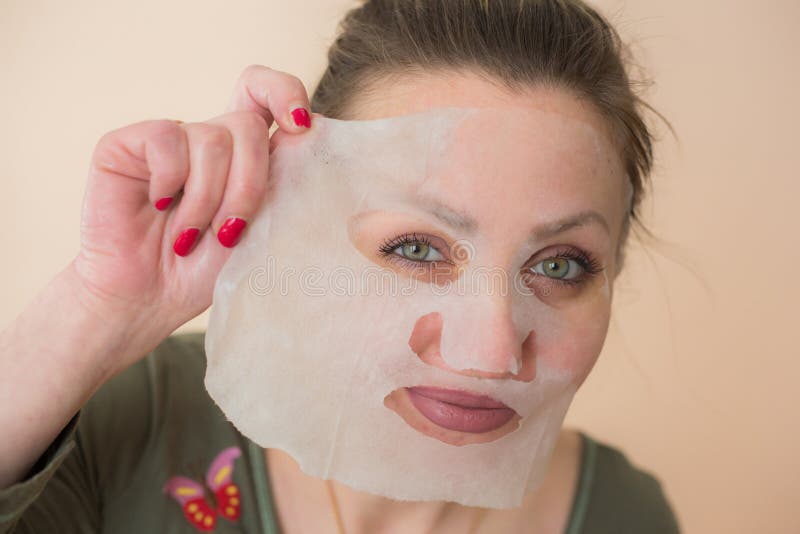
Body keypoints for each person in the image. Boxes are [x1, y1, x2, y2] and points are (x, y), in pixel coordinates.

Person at [0, 1, 680, 532]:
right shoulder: (135, 423)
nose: (491, 353)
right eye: (417, 248)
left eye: (561, 265)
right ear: (301, 225)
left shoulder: (624, 515)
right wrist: (96, 307)